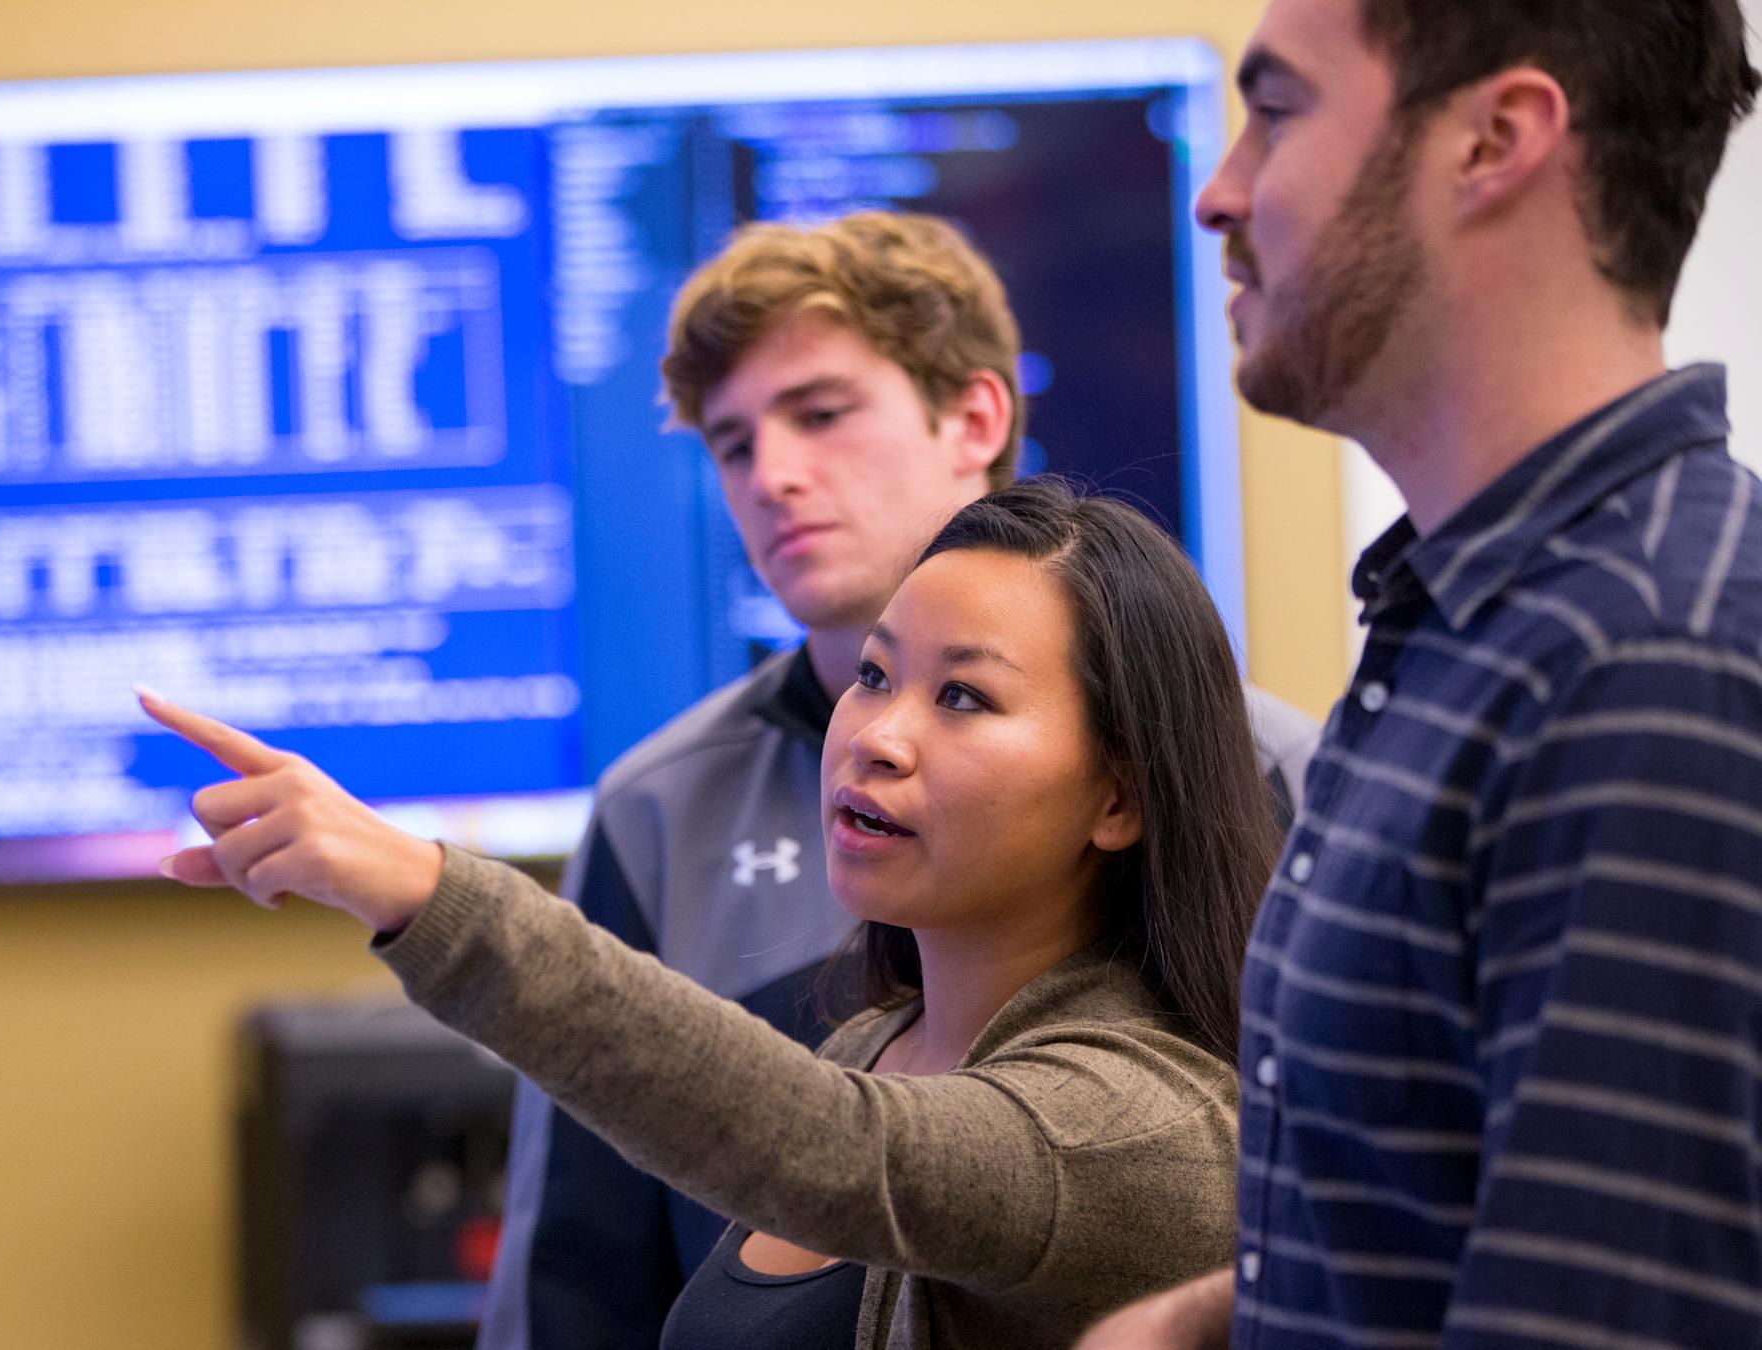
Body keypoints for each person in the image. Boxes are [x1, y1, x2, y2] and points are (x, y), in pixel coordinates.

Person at [141, 478, 1285, 1349]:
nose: (878, 737)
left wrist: (428, 893)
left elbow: (832, 1146)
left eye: (964, 697)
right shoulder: (873, 1040)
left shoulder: (1136, 1120)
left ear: (1120, 797)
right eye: (875, 676)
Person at [486, 211, 1320, 1349]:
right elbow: (575, 1276)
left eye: (822, 414)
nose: (774, 476)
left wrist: (431, 905)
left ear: (975, 418)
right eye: (733, 444)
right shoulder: (660, 810)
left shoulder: (1272, 772)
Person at [1079, 1, 1762, 1347]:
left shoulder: (1642, 667)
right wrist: (1216, 1319)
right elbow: (1462, 1213)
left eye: (1278, 112)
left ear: (1494, 141)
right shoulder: (1475, 620)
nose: (1219, 191)